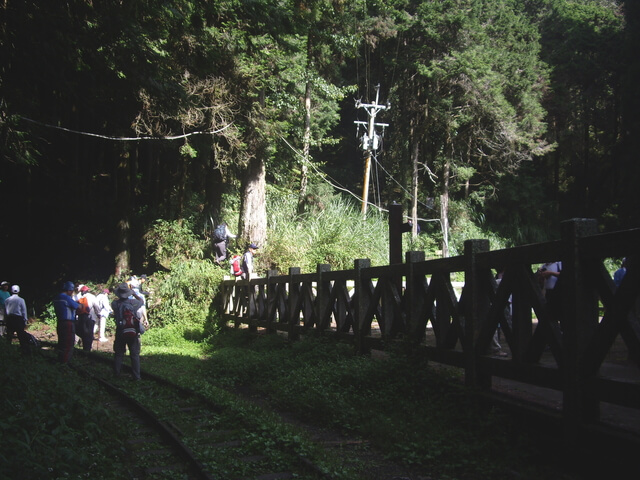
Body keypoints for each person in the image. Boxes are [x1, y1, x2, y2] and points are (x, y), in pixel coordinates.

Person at [111, 283, 145, 381]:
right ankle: (137, 376)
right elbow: (141, 301)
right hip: (132, 330)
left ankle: (116, 374)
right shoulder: (134, 303)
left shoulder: (115, 304)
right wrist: (134, 294)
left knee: (118, 353)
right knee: (134, 354)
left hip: (120, 330)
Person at [54, 281, 80, 363]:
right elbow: (77, 307)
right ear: (69, 290)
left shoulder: (57, 297)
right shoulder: (66, 298)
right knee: (68, 343)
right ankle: (65, 363)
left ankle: (60, 359)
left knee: (61, 342)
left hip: (60, 322)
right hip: (68, 323)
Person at [4, 285, 30, 354]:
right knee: (21, 336)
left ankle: (7, 351)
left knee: (9, 336)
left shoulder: (7, 300)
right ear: (19, 291)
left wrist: (5, 320)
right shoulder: (21, 300)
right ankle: (24, 351)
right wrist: (25, 320)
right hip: (18, 319)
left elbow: (5, 311)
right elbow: (24, 311)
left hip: (10, 318)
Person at [76, 285, 97, 352]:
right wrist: (98, 314)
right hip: (90, 318)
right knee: (89, 334)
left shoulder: (77, 297)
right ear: (88, 290)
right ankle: (87, 349)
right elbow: (97, 307)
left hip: (80, 317)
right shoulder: (92, 296)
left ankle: (83, 346)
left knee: (82, 332)